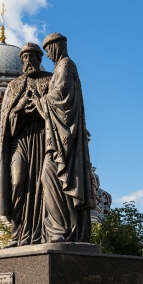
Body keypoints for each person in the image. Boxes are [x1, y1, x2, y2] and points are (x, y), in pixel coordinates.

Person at [28, 33, 95, 243]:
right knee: (50, 178)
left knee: (48, 177)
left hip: (63, 136)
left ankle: (60, 230)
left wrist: (38, 100)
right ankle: (61, 228)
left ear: (55, 47)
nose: (47, 56)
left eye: (48, 50)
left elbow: (60, 98)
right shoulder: (62, 67)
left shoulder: (65, 65)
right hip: (57, 134)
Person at [0, 43, 52, 247]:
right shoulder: (14, 85)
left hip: (44, 140)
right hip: (20, 142)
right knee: (17, 182)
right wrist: (20, 109)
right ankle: (18, 234)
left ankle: (45, 232)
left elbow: (57, 108)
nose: (28, 61)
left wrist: (38, 107)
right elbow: (7, 118)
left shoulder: (49, 79)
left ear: (39, 58)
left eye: (32, 57)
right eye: (24, 58)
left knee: (45, 187)